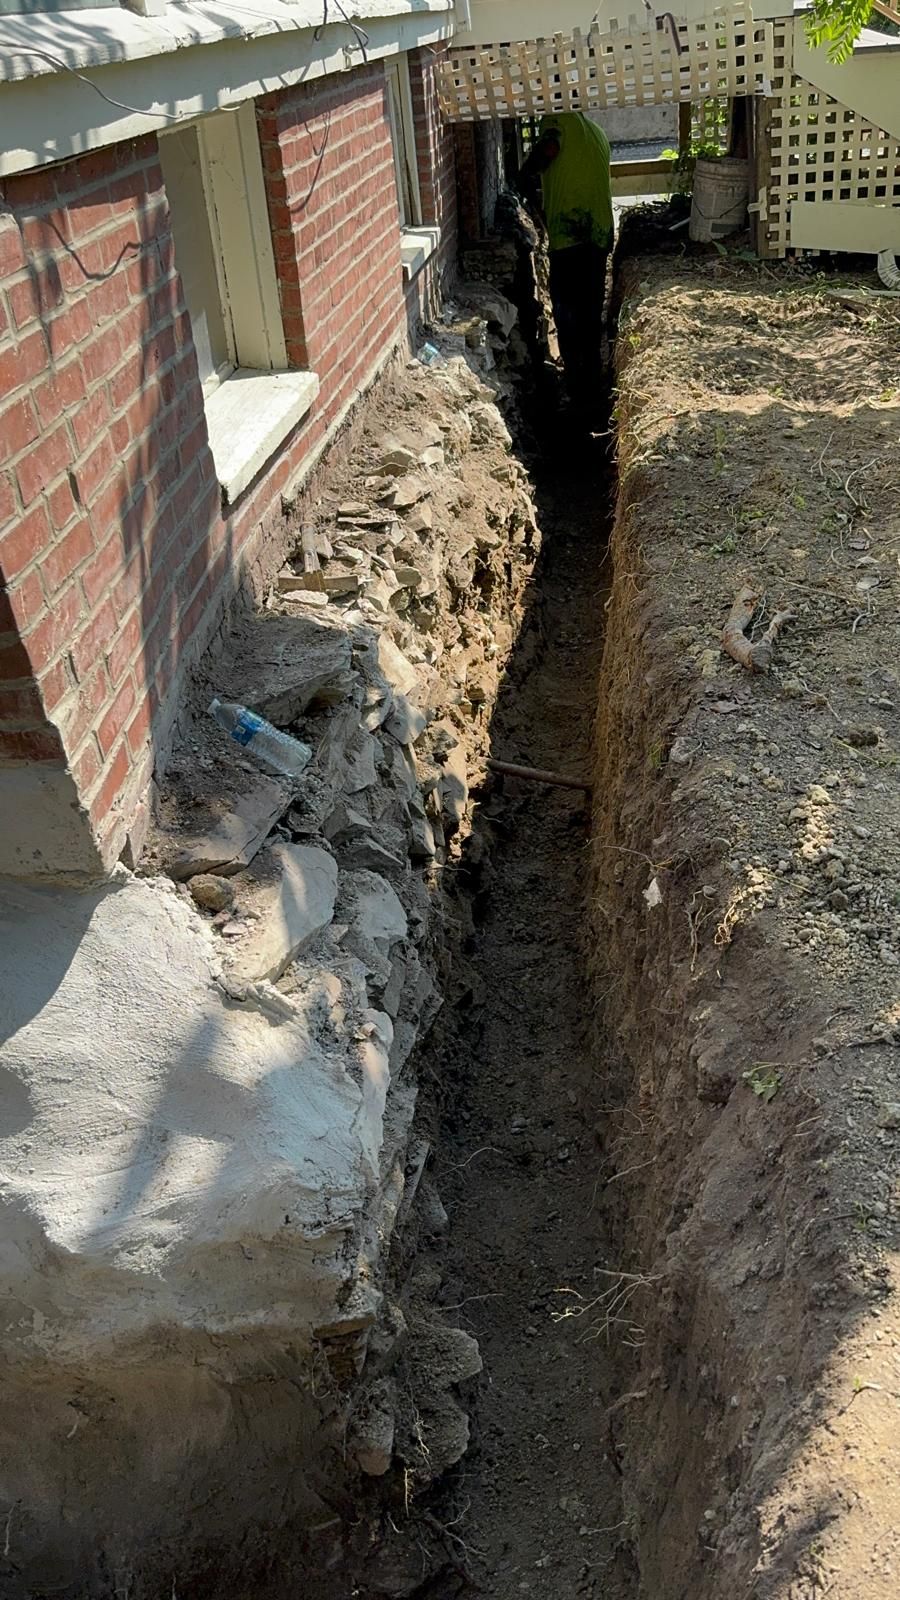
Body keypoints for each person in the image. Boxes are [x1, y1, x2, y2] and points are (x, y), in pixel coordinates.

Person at [516, 111, 613, 410]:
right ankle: (593, 380)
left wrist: (523, 175)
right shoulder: (597, 131)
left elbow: (549, 148)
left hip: (571, 235)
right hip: (599, 234)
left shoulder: (559, 123)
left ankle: (575, 384)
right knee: (591, 309)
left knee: (567, 311)